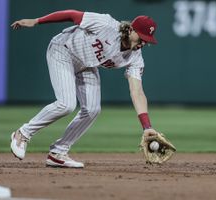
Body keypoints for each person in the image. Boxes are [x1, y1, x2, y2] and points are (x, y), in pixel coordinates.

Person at [10, 10, 159, 168]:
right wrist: (37, 20)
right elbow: (72, 15)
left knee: (93, 109)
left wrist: (147, 126)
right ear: (130, 29)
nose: (143, 43)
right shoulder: (106, 24)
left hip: (87, 65)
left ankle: (58, 152)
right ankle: (23, 133)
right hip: (63, 50)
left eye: (147, 40)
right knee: (66, 105)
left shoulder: (135, 58)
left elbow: (137, 91)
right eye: (141, 37)